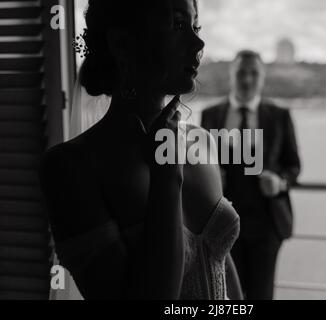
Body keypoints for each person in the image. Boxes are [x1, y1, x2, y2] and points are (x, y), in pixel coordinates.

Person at [39, 0, 243, 300]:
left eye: (195, 26)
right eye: (177, 25)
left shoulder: (202, 142)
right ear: (123, 44)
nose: (198, 42)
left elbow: (221, 264)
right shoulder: (70, 167)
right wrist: (166, 177)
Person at [201, 50, 301, 300]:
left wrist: (279, 183)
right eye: (241, 73)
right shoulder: (211, 115)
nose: (247, 79)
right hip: (222, 222)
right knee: (224, 295)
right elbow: (198, 163)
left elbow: (294, 166)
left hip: (267, 224)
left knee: (262, 294)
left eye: (253, 73)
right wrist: (211, 174)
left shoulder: (279, 116)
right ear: (231, 75)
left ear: (262, 78)